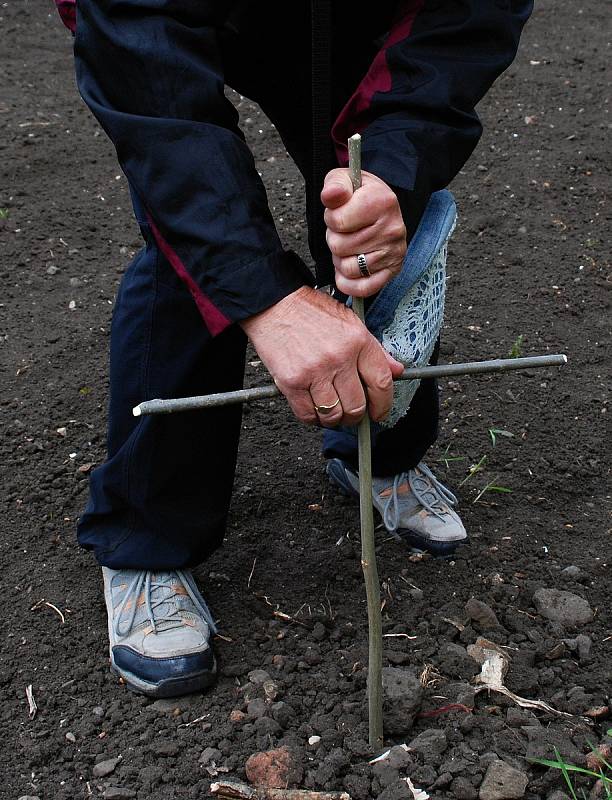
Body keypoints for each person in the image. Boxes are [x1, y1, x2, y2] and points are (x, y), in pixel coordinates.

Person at [53, 0, 532, 697]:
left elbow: (465, 24)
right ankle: (147, 539)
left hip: (360, 22)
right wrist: (263, 299)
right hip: (161, 23)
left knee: (366, 217)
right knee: (192, 246)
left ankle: (380, 454)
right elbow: (153, 84)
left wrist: (394, 172)